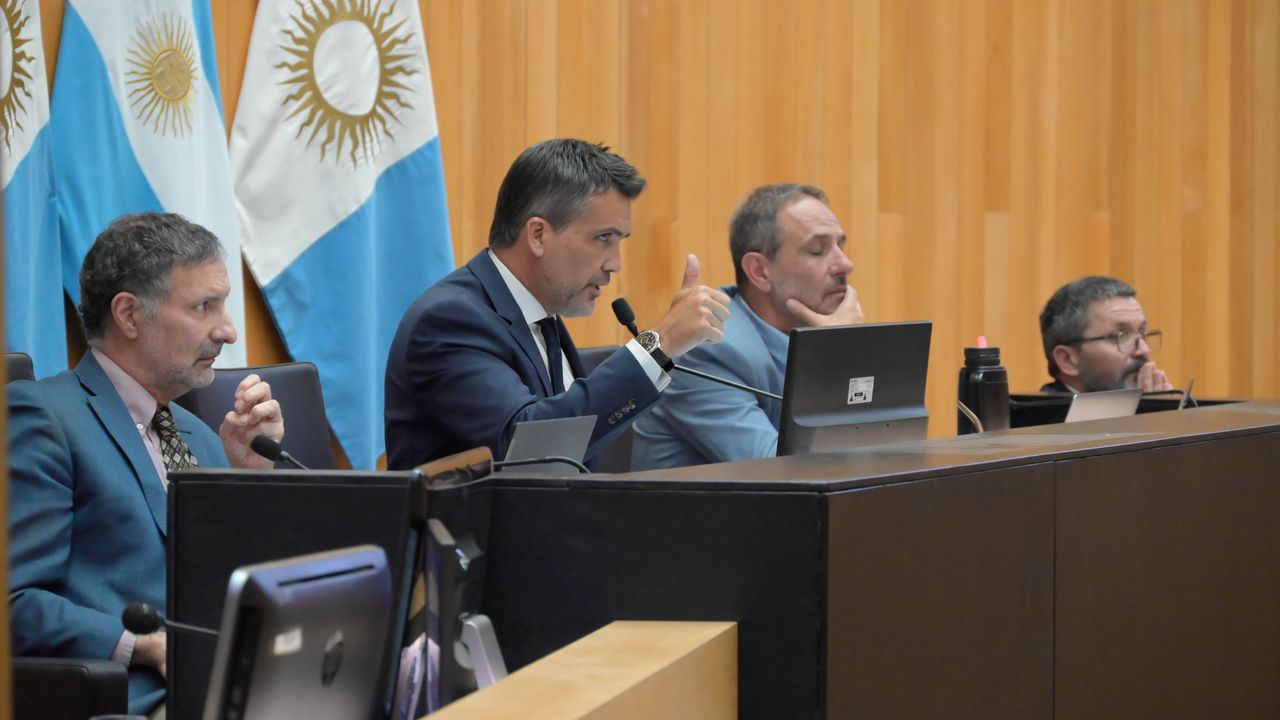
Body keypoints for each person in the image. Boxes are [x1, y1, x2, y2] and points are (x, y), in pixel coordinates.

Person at [7, 213, 285, 716]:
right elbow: (14, 600)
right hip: (129, 700)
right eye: (205, 307)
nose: (227, 331)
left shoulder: (203, 436)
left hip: (224, 692)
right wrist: (146, 644)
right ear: (130, 315)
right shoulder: (42, 417)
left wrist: (248, 480)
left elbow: (220, 584)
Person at [385, 139, 732, 469]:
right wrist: (659, 344)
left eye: (619, 241)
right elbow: (528, 445)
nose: (615, 264)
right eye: (603, 238)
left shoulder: (539, 316)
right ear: (538, 235)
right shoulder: (450, 320)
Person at [631, 183, 863, 470]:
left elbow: (886, 448)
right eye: (817, 250)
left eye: (841, 245)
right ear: (759, 271)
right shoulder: (708, 349)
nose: (845, 264)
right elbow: (781, 475)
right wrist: (840, 352)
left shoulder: (812, 334)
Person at [1039, 275, 1172, 393]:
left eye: (1143, 333)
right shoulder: (1040, 420)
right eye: (1119, 336)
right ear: (1067, 360)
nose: (1143, 350)